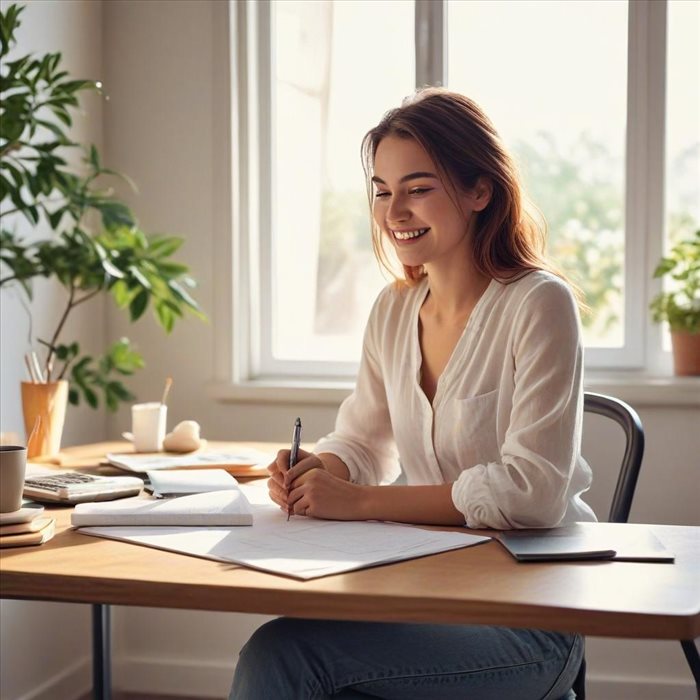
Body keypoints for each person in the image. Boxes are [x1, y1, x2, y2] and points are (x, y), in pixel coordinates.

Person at [229, 88, 595, 700]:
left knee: (286, 656)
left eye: (418, 187)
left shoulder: (539, 304)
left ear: (481, 192)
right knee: (289, 646)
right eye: (381, 190)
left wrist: (359, 500)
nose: (394, 209)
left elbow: (532, 494)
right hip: (433, 587)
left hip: (535, 617)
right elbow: (363, 438)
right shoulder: (394, 308)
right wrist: (322, 467)